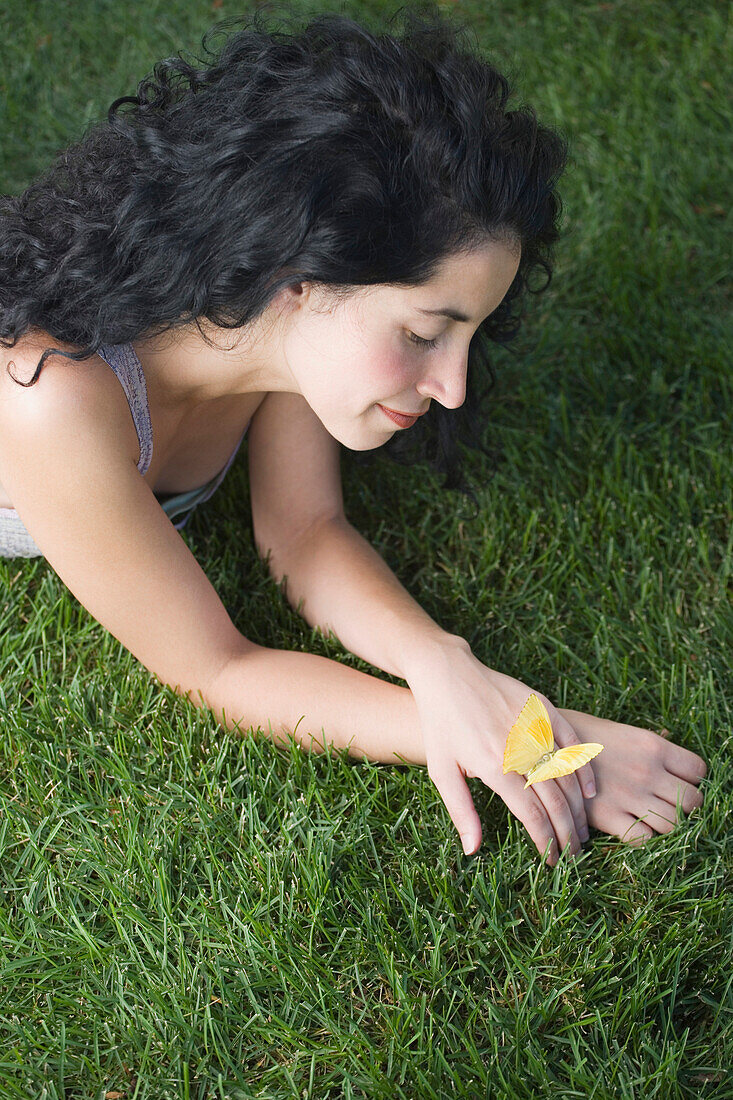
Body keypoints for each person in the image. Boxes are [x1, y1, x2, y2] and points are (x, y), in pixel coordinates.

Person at [0, 5, 706, 866]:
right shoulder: (50, 396)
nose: (451, 388)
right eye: (421, 333)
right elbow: (216, 668)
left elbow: (304, 532)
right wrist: (529, 741)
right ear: (297, 277)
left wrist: (442, 661)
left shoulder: (278, 332)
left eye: (466, 338)